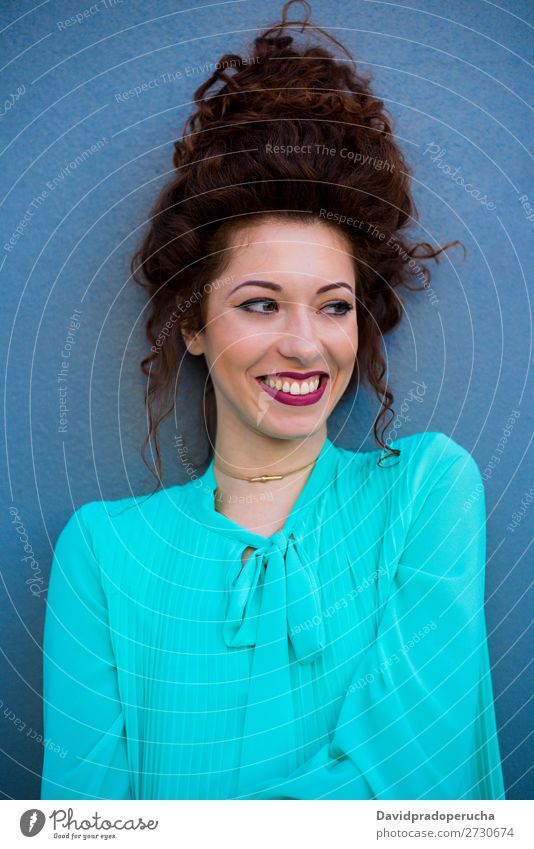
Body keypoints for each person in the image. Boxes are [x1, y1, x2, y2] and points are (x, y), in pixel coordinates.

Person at [41, 0, 505, 800]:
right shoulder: (102, 554)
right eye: (260, 303)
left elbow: (406, 785)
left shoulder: (428, 493)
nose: (304, 343)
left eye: (333, 305)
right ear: (193, 320)